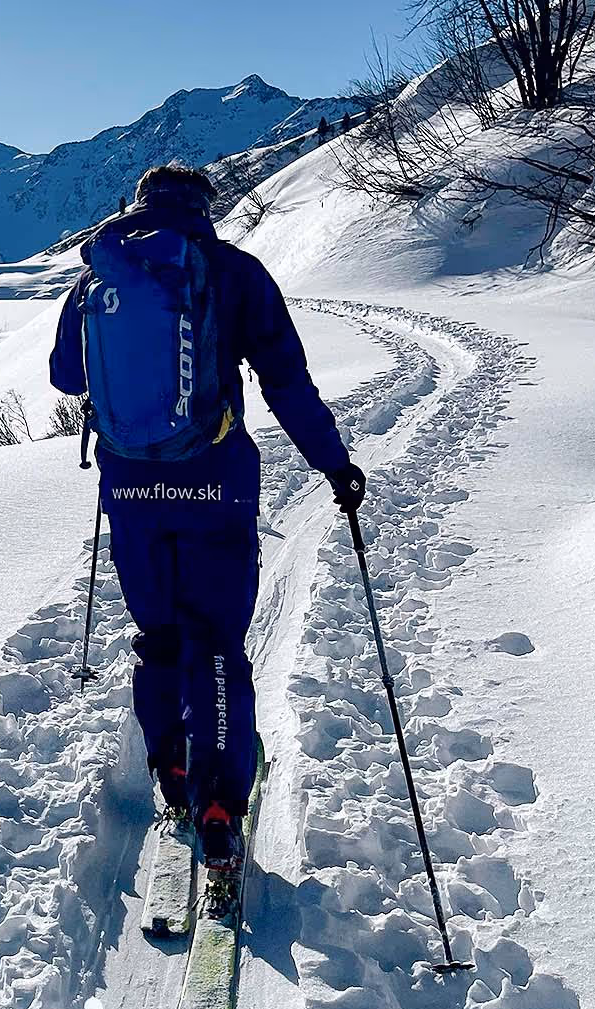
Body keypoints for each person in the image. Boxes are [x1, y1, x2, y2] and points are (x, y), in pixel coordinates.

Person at [49, 164, 365, 870]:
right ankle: (220, 802)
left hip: (129, 486)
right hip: (215, 483)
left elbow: (67, 378)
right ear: (204, 208)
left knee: (159, 636)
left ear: (139, 205)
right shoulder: (234, 272)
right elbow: (285, 380)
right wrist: (333, 464)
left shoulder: (97, 278)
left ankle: (174, 772)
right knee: (216, 640)